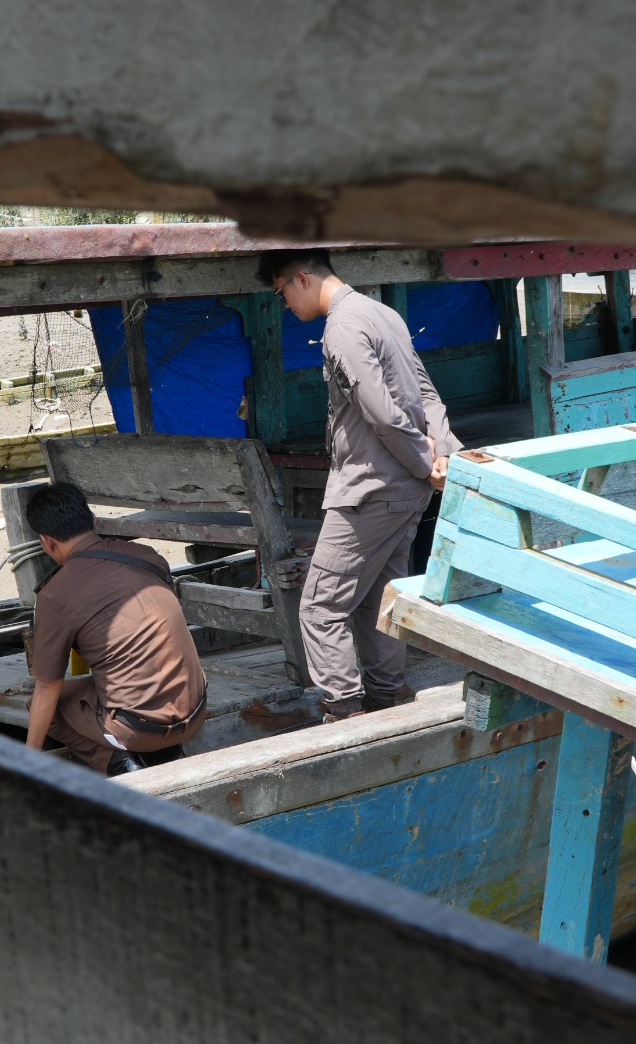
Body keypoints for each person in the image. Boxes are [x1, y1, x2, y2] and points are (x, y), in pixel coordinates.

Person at [258, 249, 461, 723]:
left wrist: (424, 462)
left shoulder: (343, 326)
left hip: (370, 489)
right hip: (405, 492)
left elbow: (381, 413)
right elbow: (427, 394)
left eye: (281, 294)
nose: (285, 305)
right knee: (377, 599)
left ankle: (344, 715)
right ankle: (387, 700)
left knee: (320, 607)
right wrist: (442, 454)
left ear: (302, 278)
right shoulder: (383, 314)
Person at [23, 482, 209, 776]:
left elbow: (47, 686)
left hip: (138, 731)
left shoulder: (54, 594)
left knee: (41, 704)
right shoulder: (147, 557)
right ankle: (167, 750)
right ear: (93, 521)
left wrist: (26, 760)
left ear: (46, 541)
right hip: (197, 712)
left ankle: (121, 764)